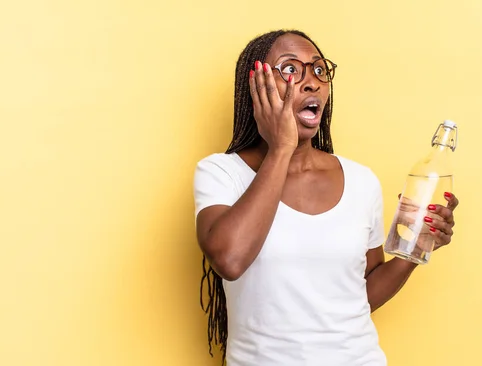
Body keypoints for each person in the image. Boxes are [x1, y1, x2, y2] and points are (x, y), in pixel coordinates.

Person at [193, 29, 459, 366]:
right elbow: (229, 260)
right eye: (291, 69)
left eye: (320, 71)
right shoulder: (221, 173)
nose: (312, 82)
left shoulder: (361, 181)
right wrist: (282, 147)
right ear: (257, 87)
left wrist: (415, 249)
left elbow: (358, 296)